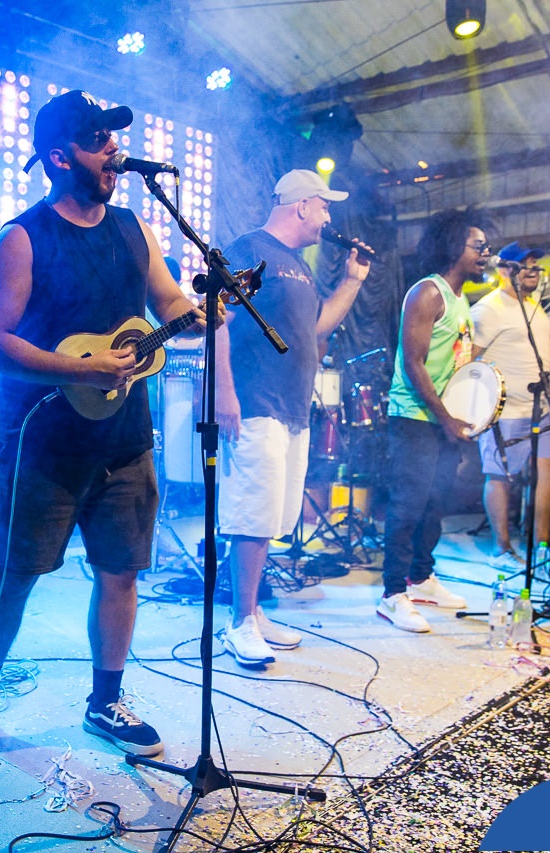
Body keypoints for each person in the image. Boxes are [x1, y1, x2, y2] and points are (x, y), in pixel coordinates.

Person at [0, 90, 217, 760]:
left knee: (120, 571)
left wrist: (200, 314)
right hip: (40, 444)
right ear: (58, 156)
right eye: (97, 139)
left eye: (112, 137)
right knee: (14, 575)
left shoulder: (134, 229)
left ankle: (105, 701)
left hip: (123, 439)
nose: (113, 150)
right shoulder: (21, 239)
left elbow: (169, 304)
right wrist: (80, 369)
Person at [214, 170, 371, 667]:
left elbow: (318, 326)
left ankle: (253, 612)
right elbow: (218, 319)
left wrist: (352, 281)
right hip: (255, 402)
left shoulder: (299, 266)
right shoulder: (249, 249)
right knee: (252, 513)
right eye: (324, 207)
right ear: (302, 205)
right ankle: (238, 622)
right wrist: (223, 392)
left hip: (292, 408)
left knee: (274, 516)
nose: (328, 217)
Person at [377, 208, 492, 633]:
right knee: (408, 504)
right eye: (478, 246)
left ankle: (422, 578)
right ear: (454, 246)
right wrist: (446, 418)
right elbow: (413, 363)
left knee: (436, 501)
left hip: (444, 418)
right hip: (415, 416)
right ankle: (392, 594)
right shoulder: (427, 293)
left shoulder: (462, 300)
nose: (485, 254)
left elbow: (455, 361)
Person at [470, 242, 550, 573]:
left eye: (536, 264)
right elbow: (467, 357)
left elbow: (542, 343)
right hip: (504, 412)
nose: (533, 271)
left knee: (547, 473)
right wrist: (475, 405)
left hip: (540, 408)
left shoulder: (533, 307)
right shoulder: (488, 310)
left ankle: (542, 547)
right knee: (500, 477)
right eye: (526, 265)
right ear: (504, 270)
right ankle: (501, 549)